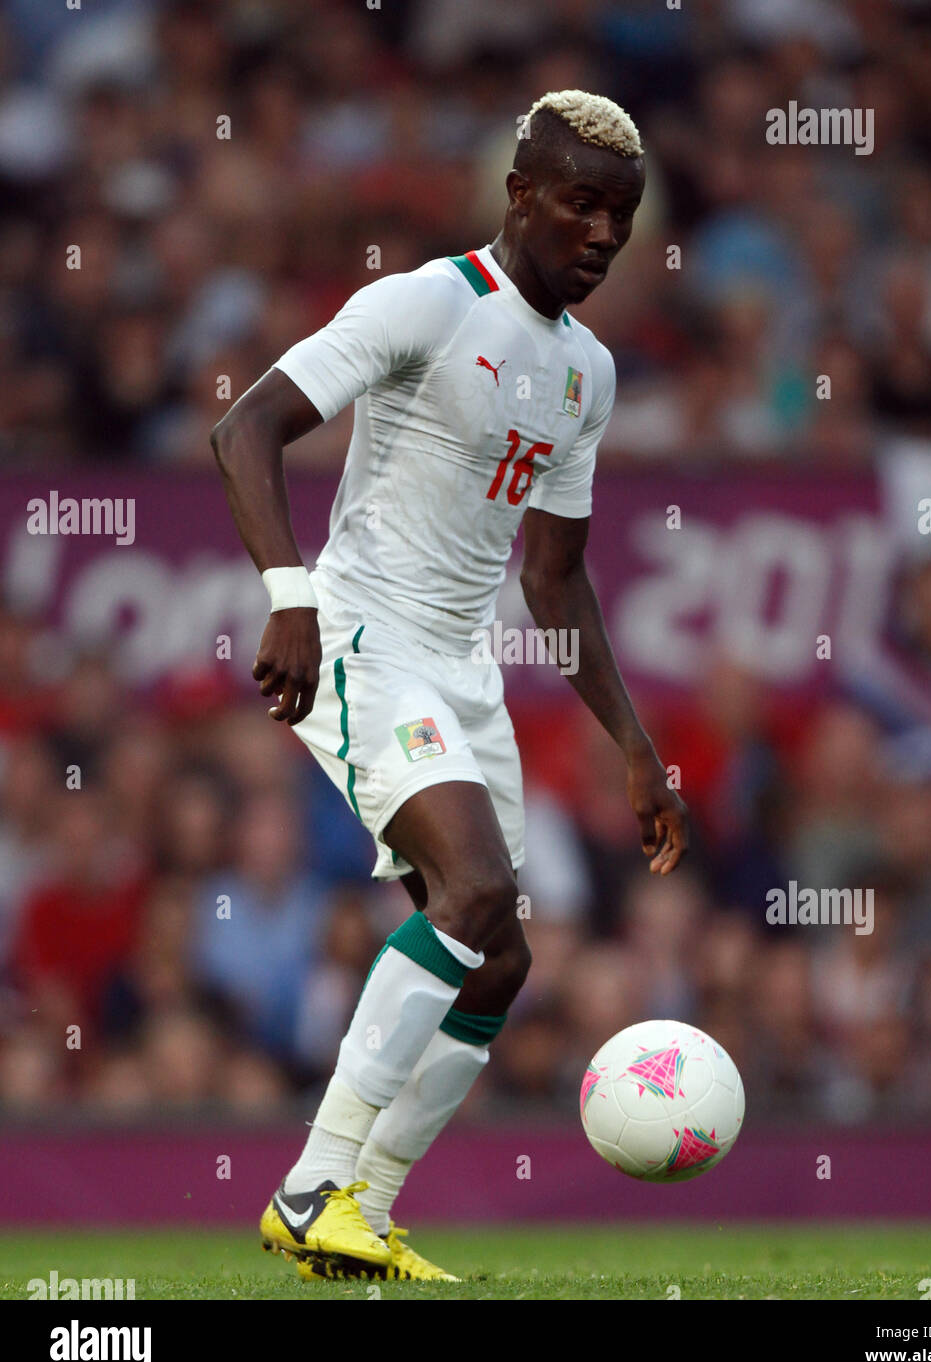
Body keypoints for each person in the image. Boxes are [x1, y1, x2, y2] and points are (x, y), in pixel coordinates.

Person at [210, 89, 688, 1282]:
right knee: (471, 888)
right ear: (520, 194)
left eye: (619, 216)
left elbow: (555, 578)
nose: (601, 234)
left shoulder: (587, 373)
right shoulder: (429, 302)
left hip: (465, 664)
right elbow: (247, 428)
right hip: (363, 634)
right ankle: (314, 1184)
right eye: (579, 203)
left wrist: (633, 744)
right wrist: (289, 593)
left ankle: (359, 1211)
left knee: (503, 958)